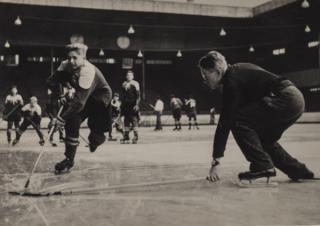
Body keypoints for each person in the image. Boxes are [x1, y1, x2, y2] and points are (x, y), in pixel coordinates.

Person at [199, 50, 315, 183]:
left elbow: (225, 122)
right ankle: (298, 171)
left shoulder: (231, 82)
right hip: (295, 98)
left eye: (205, 75)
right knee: (263, 140)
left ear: (217, 72)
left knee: (237, 120)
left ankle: (262, 165)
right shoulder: (238, 70)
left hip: (284, 98)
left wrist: (216, 161)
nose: (204, 80)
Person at [47, 34, 112, 173]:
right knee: (72, 120)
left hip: (99, 98)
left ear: (84, 58)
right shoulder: (65, 65)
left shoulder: (88, 71)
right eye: (69, 57)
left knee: (95, 134)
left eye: (75, 58)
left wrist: (60, 118)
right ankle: (69, 160)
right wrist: (61, 95)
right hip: (82, 96)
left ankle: (96, 140)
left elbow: (78, 103)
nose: (71, 61)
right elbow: (51, 81)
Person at [120, 70, 140, 144]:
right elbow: (123, 96)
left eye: (130, 75)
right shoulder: (124, 84)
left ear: (133, 76)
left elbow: (138, 96)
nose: (129, 76)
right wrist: (121, 105)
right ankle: (126, 136)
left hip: (133, 104)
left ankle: (135, 136)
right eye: (127, 75)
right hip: (125, 105)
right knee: (126, 121)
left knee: (134, 119)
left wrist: (137, 105)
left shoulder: (135, 83)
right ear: (126, 76)